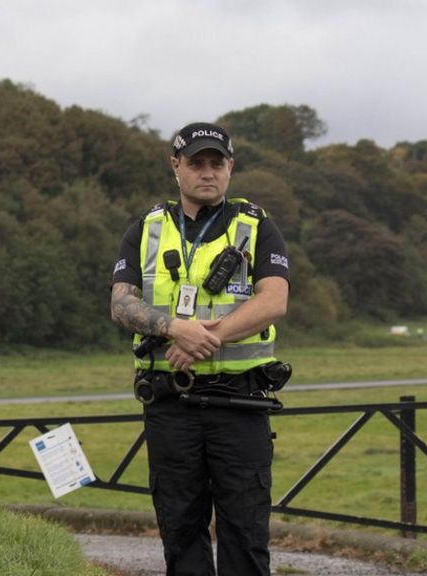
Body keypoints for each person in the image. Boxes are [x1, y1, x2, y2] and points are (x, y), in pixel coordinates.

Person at [109, 122, 291, 575]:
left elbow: (274, 301)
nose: (207, 172)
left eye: (217, 162)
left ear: (230, 167)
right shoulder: (145, 229)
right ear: (176, 167)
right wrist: (175, 329)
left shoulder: (257, 226)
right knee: (180, 532)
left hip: (241, 403)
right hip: (171, 404)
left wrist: (204, 339)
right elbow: (121, 303)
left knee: (246, 534)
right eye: (196, 163)